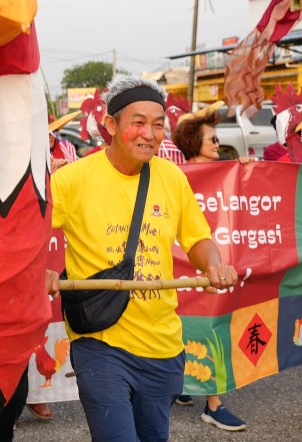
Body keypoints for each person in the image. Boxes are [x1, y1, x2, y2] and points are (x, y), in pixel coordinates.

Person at [51, 76, 237, 442]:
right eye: (138, 122)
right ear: (110, 125)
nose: (149, 134)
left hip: (164, 346)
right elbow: (35, 230)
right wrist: (42, 266)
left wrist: (213, 263)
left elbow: (197, 236)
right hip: (101, 342)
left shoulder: (172, 177)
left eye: (157, 124)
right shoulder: (72, 179)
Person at [170, 113, 250, 432]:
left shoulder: (226, 172)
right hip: (179, 265)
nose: (219, 144)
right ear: (194, 144)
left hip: (213, 262)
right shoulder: (172, 176)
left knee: (209, 325)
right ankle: (209, 403)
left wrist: (247, 171)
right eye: (213, 139)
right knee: (190, 328)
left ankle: (205, 398)